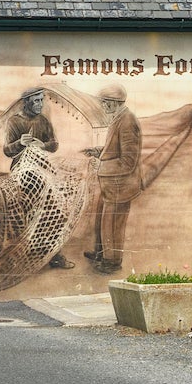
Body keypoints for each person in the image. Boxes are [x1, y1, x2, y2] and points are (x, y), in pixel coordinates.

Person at [4, 89, 71, 269]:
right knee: (25, 215)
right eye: (36, 101)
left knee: (53, 213)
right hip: (24, 176)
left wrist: (43, 144)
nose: (40, 104)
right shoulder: (14, 122)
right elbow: (7, 151)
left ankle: (54, 256)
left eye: (42, 100)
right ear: (26, 102)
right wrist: (20, 143)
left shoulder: (43, 121)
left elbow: (54, 144)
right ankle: (25, 258)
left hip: (44, 173)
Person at [81, 82, 141, 273]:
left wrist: (102, 164)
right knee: (101, 219)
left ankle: (112, 261)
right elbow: (114, 150)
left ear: (114, 102)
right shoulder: (119, 117)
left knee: (112, 224)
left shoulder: (127, 121)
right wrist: (98, 152)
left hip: (120, 185)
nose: (103, 106)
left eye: (105, 103)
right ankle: (100, 253)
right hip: (111, 183)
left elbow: (128, 161)